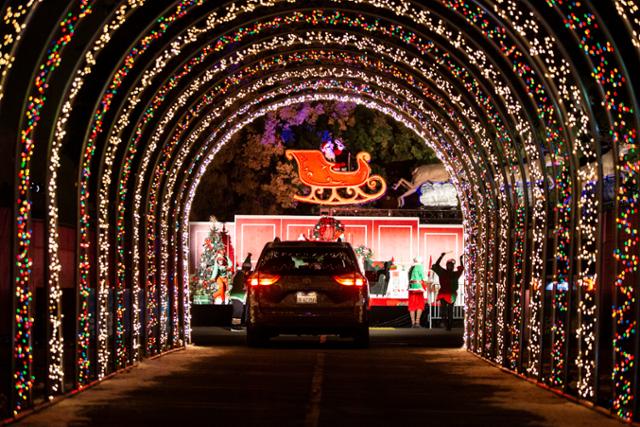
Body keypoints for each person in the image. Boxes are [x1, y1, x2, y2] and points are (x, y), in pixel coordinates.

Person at [432, 252, 464, 330]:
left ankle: (449, 325)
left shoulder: (456, 274)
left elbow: (461, 268)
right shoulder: (442, 272)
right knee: (443, 310)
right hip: (443, 293)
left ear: (453, 266)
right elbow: (436, 265)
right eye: (449, 265)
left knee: (450, 310)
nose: (450, 266)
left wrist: (460, 260)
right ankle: (445, 323)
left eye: (451, 265)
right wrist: (441, 256)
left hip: (451, 294)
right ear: (446, 266)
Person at [229, 263, 250, 331]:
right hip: (237, 296)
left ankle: (237, 326)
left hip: (238, 296)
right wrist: (245, 287)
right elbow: (240, 285)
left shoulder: (240, 274)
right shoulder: (240, 275)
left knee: (239, 311)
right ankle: (234, 326)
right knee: (237, 311)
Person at [407, 257, 426, 328]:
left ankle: (413, 323)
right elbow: (423, 278)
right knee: (420, 304)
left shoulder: (411, 268)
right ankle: (417, 323)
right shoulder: (420, 267)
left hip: (411, 288)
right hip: (419, 288)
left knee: (412, 305)